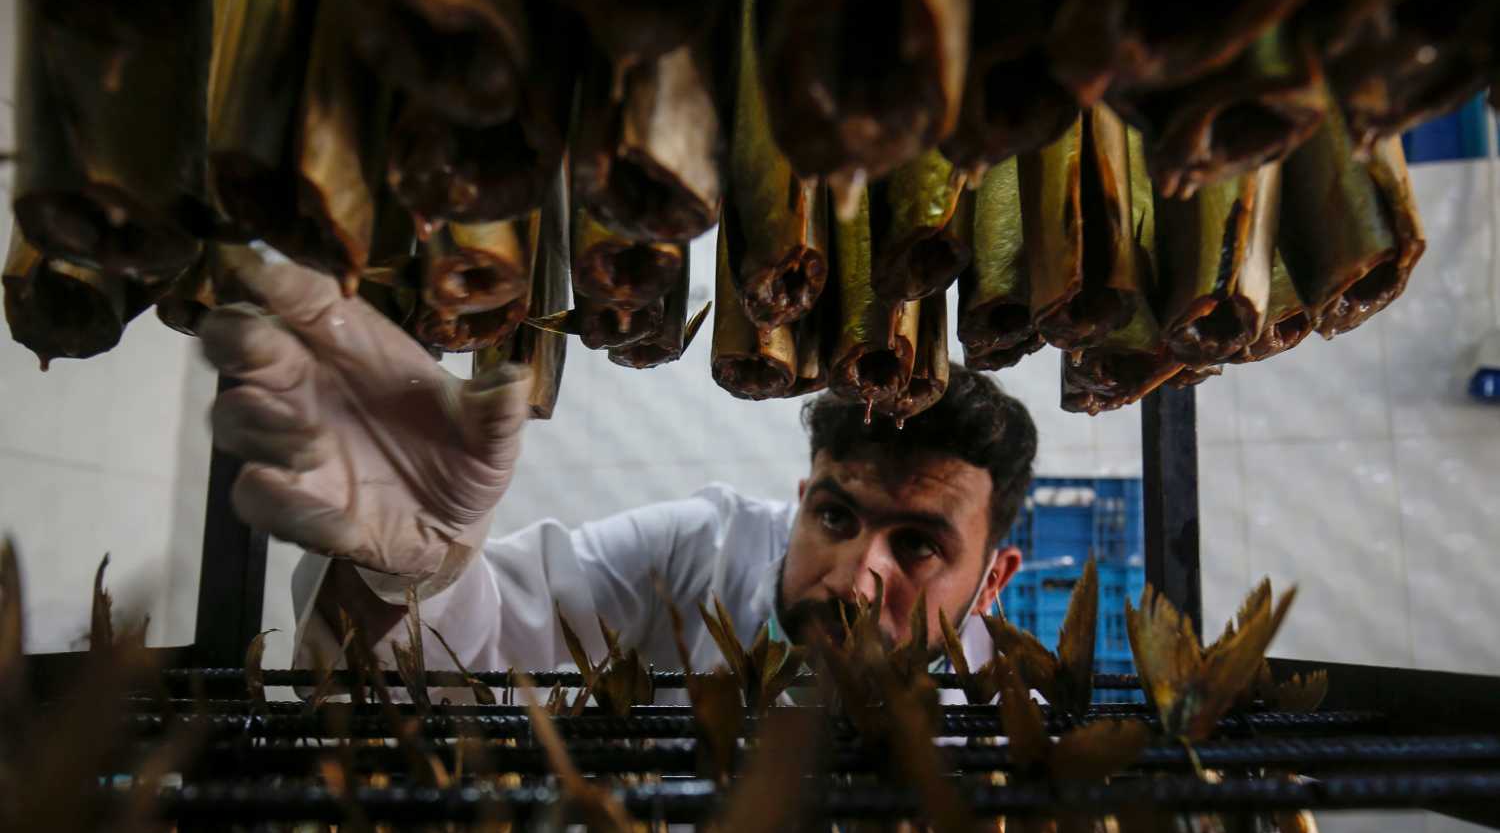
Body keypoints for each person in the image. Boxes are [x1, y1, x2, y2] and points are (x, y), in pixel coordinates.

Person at [199, 254, 1038, 680]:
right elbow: (482, 656)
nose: (859, 580)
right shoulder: (698, 552)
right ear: (799, 500)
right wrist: (414, 577)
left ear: (995, 578)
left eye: (921, 546)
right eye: (836, 517)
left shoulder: (1019, 723)